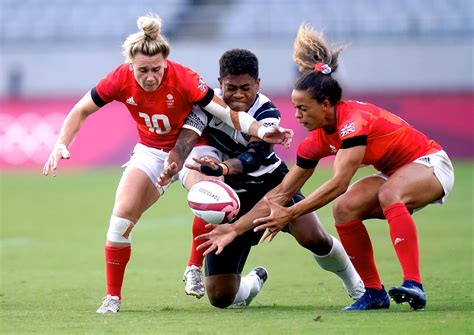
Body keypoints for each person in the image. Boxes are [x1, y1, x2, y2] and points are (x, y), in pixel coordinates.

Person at [42, 13, 292, 314]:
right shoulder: (118, 79)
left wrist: (264, 131)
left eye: (157, 69)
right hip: (151, 151)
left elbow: (227, 114)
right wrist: (61, 144)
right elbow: (81, 110)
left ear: (167, 63)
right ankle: (112, 297)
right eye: (143, 70)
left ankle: (192, 269)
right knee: (120, 220)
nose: (150, 77)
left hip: (194, 147)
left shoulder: (184, 78)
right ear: (130, 66)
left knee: (210, 197)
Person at [195, 24, 455, 311]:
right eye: (295, 108)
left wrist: (291, 212)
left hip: (430, 163)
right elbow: (282, 192)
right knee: (344, 209)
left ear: (326, 105)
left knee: (386, 194)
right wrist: (235, 229)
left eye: (303, 109)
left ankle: (413, 284)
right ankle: (373, 292)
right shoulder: (315, 142)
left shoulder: (353, 122)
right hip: (391, 173)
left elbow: (338, 183)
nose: (297, 116)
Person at [160, 48, 364, 308]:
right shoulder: (207, 106)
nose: (238, 95)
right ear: (220, 82)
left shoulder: (266, 111)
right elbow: (186, 138)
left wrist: (221, 168)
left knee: (313, 237)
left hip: (272, 186)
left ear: (258, 83)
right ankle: (254, 282)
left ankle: (357, 285)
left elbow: (253, 158)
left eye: (246, 87)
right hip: (229, 200)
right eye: (230, 87)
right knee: (221, 298)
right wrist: (175, 161)